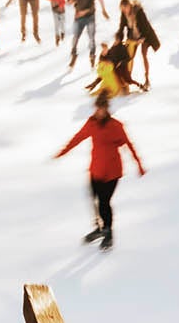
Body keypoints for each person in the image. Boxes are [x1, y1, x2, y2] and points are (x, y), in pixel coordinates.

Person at [53, 96, 144, 251]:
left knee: (104, 202)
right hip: (95, 170)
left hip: (112, 172)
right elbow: (78, 138)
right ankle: (99, 227)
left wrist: (138, 164)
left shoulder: (116, 126)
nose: (100, 111)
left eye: (103, 108)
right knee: (94, 200)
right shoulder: (91, 123)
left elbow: (128, 144)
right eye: (98, 108)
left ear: (107, 109)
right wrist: (63, 152)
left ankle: (108, 232)